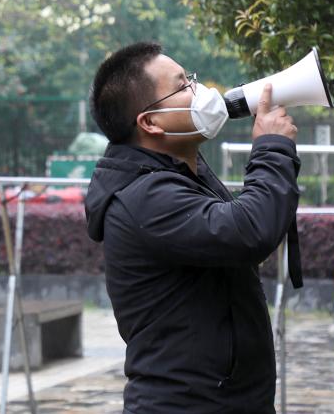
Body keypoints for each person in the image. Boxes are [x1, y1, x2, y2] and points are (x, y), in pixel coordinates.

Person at [84, 41, 303, 413]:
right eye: (183, 86)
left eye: (192, 80)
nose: (200, 92)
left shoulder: (183, 174)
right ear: (150, 122)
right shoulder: (145, 197)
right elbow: (249, 231)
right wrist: (272, 147)